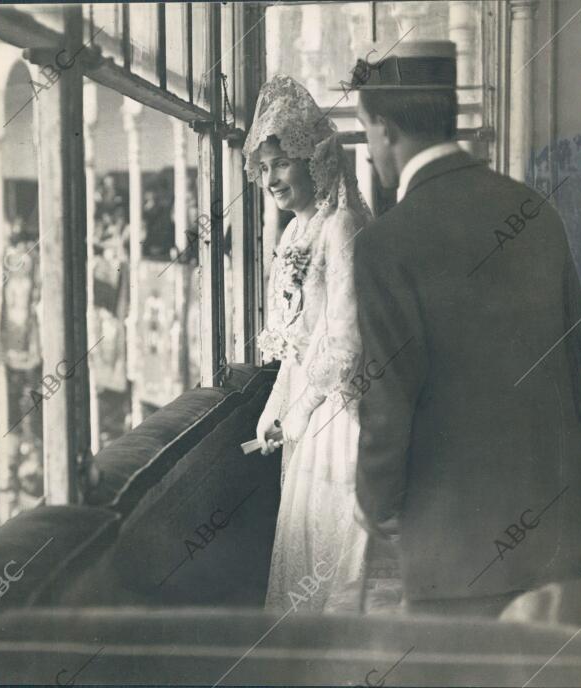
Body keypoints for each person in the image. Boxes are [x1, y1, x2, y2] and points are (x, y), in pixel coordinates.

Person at [351, 41, 581, 616]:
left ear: (384, 128)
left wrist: (373, 500)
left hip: (455, 559)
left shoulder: (386, 243)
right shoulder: (537, 213)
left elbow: (388, 399)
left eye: (365, 128)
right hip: (560, 550)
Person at [243, 75, 401, 612]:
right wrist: (276, 409)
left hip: (345, 414)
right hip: (309, 418)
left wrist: (302, 411)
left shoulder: (343, 226)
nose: (271, 179)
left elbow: (346, 340)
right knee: (304, 557)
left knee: (338, 568)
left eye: (281, 163)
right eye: (263, 168)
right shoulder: (294, 233)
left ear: (315, 160)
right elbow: (298, 345)